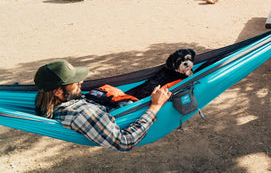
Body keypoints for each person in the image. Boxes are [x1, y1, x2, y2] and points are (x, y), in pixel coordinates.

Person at [34, 59, 171, 151]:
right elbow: (124, 141)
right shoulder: (81, 114)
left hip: (117, 103)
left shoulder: (48, 100)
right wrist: (155, 106)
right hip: (129, 115)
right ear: (58, 91)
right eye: (75, 82)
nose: (81, 81)